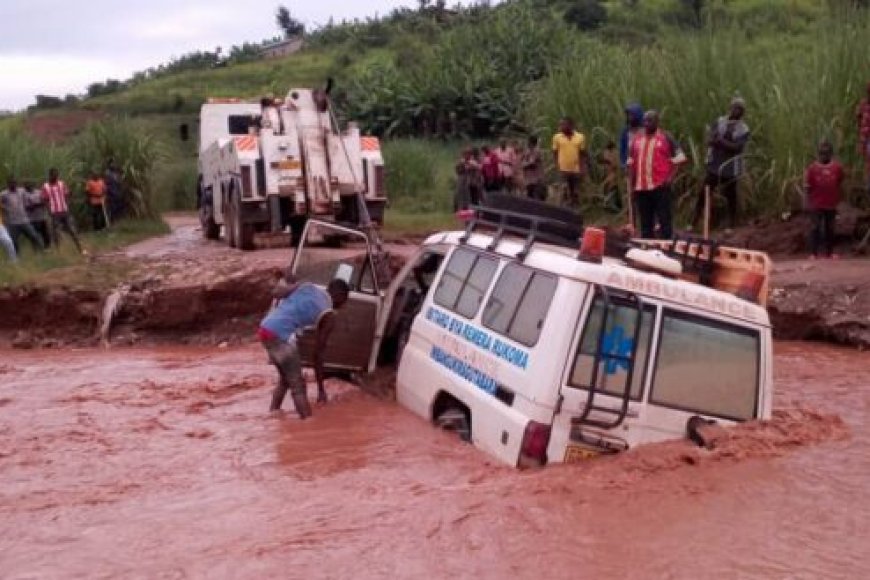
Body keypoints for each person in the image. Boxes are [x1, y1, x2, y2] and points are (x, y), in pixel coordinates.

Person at [258, 274, 350, 417]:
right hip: (281, 335)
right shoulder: (328, 314)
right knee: (298, 386)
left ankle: (273, 412)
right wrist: (321, 390)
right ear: (339, 296)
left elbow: (281, 293)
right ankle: (307, 421)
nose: (344, 305)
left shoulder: (308, 286)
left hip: (265, 328)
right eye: (345, 300)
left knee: (285, 379)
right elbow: (318, 354)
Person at [692, 96, 751, 233]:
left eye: (740, 109)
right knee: (704, 193)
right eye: (735, 108)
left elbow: (737, 148)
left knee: (731, 196)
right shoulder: (720, 121)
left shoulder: (744, 129)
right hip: (715, 164)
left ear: (743, 112)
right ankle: (694, 221)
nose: (737, 111)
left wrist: (721, 142)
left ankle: (731, 223)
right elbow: (710, 140)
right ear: (730, 108)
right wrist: (720, 142)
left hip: (731, 168)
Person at [627, 110, 688, 240]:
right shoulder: (637, 139)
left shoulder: (666, 138)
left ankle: (667, 246)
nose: (647, 123)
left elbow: (681, 158)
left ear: (657, 122)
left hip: (660, 187)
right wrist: (632, 185)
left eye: (650, 120)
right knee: (645, 223)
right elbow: (631, 163)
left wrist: (670, 178)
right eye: (645, 121)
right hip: (641, 188)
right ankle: (647, 247)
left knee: (664, 220)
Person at [805, 140, 844, 260]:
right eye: (822, 153)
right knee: (815, 228)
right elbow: (808, 187)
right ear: (818, 154)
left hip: (831, 203)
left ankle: (829, 252)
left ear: (831, 154)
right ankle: (813, 253)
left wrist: (837, 200)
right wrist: (808, 202)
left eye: (826, 153)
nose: (824, 156)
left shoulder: (837, 168)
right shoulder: (812, 169)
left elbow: (839, 182)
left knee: (830, 228)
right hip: (816, 203)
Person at [42, 168, 84, 254]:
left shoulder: (61, 184)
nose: (56, 177)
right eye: (54, 175)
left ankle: (81, 249)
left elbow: (67, 194)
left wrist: (67, 204)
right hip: (54, 212)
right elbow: (45, 200)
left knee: (72, 230)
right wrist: (49, 211)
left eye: (57, 175)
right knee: (56, 233)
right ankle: (59, 251)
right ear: (50, 175)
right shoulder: (45, 186)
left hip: (64, 211)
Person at [0, 178, 44, 253]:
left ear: (16, 184)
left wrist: (33, 203)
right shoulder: (4, 194)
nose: (13, 185)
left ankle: (40, 252)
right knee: (14, 240)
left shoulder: (21, 191)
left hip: (24, 220)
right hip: (12, 222)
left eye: (14, 183)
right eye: (11, 183)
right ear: (8, 184)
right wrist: (4, 208)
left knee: (34, 236)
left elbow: (28, 195)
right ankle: (17, 255)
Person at [552, 117, 586, 208]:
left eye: (563, 124)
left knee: (575, 192)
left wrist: (582, 168)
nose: (561, 127)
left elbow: (582, 154)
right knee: (564, 191)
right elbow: (555, 153)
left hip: (576, 170)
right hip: (563, 170)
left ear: (570, 125)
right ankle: (562, 210)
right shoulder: (557, 137)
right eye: (560, 124)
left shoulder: (580, 137)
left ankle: (575, 209)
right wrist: (557, 167)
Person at [23, 181, 50, 248]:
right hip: (32, 218)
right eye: (26, 185)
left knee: (45, 233)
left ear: (32, 185)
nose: (28, 186)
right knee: (35, 234)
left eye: (29, 185)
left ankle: (47, 247)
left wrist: (36, 204)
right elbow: (27, 207)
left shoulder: (39, 192)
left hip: (42, 216)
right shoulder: (24, 194)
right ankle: (37, 248)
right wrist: (37, 204)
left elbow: (44, 201)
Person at [596, 140, 621, 212]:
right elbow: (604, 162)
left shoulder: (615, 152)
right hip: (608, 173)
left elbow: (615, 164)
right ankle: (608, 204)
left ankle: (611, 204)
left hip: (613, 173)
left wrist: (608, 162)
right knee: (607, 188)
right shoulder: (606, 152)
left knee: (612, 189)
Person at [856, 81, 870, 196]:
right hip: (866, 138)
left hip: (866, 138)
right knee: (868, 162)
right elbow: (858, 117)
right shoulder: (863, 104)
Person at [522, 135, 545, 200]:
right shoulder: (527, 151)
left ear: (531, 143)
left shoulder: (536, 151)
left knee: (536, 197)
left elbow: (532, 162)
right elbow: (523, 162)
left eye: (528, 142)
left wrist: (525, 164)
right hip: (528, 179)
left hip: (536, 179)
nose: (527, 143)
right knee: (529, 196)